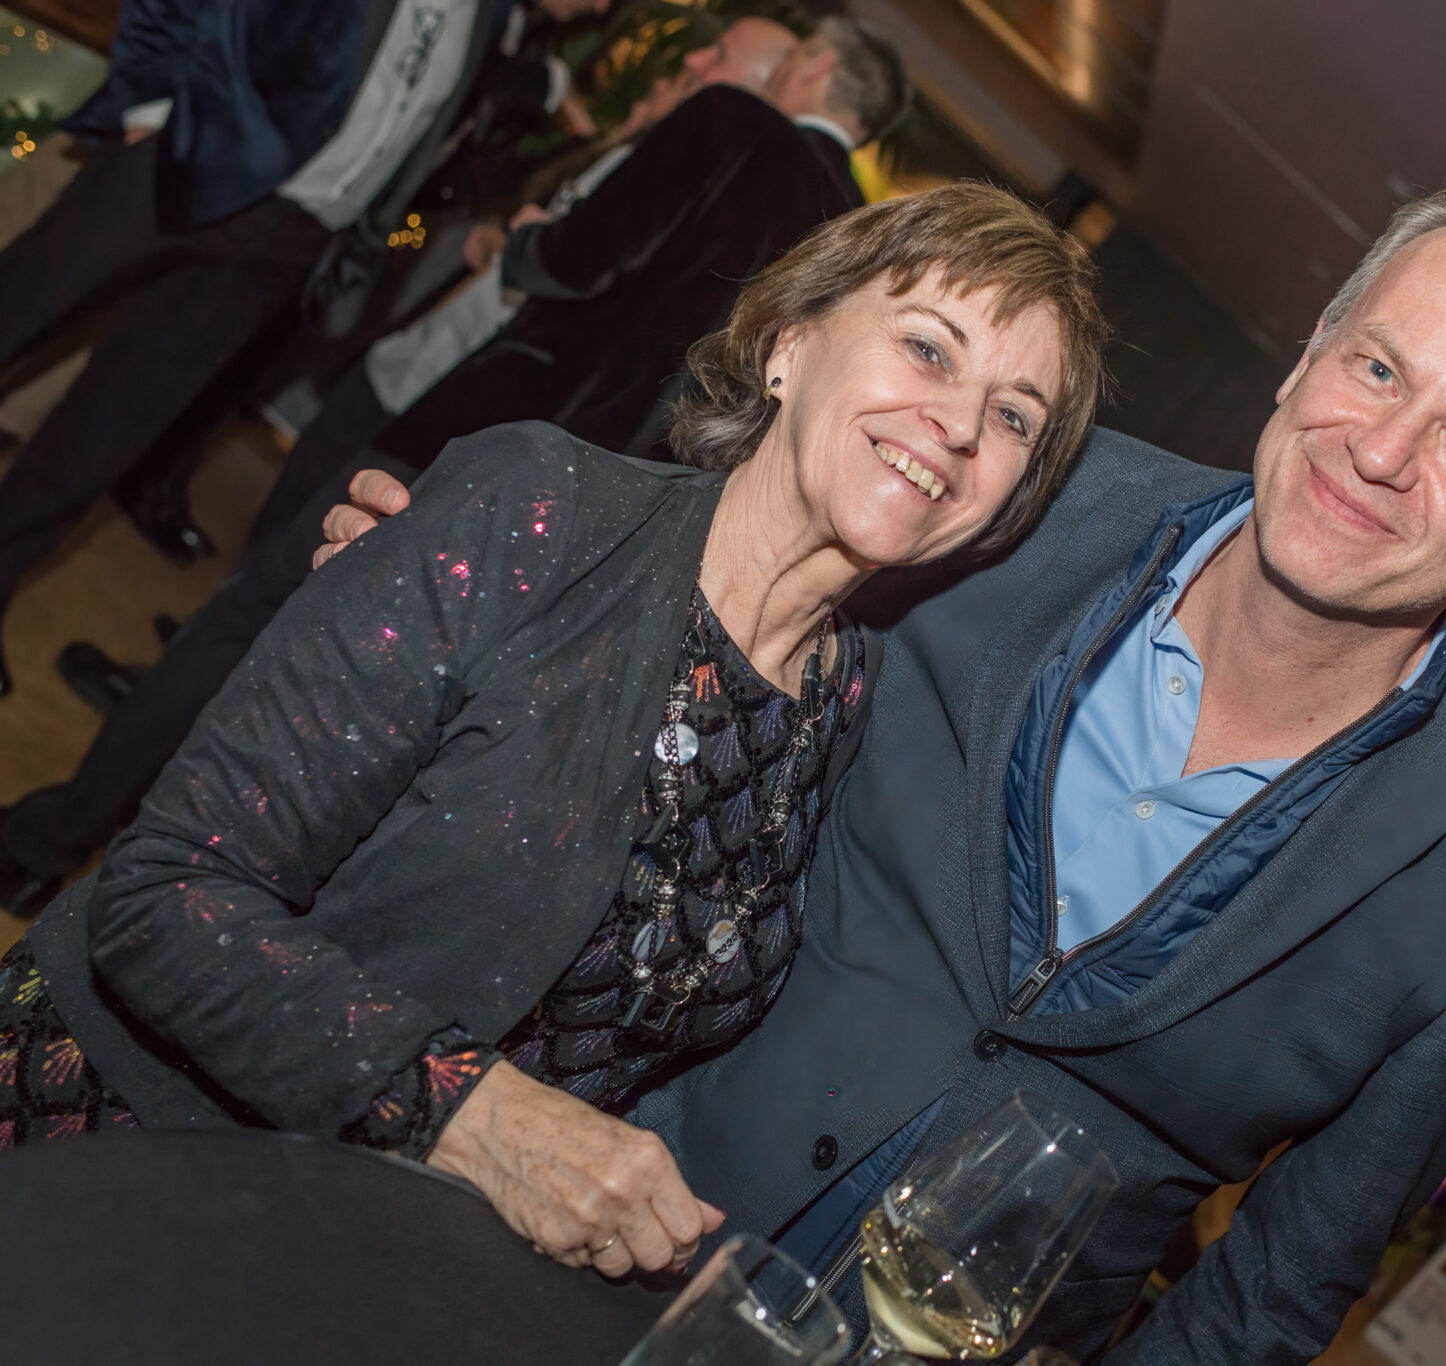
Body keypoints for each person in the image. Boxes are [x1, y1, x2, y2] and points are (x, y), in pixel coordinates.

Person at [321, 182, 1446, 1361]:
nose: (1380, 454)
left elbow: (1278, 1288)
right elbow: (714, 581)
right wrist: (484, 599)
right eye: (1378, 370)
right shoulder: (1018, 487)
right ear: (1308, 358)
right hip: (568, 1210)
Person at [5, 185, 1106, 1285]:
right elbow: (165, 897)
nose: (960, 425)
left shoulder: (847, 706)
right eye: (927, 348)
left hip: (357, 1262)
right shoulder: (537, 511)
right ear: (789, 345)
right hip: (126, 1164)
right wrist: (476, 1119)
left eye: (1015, 417)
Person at [0, 15, 906, 920]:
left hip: (490, 432)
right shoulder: (852, 241)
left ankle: (50, 842)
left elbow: (577, 259)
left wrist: (530, 241)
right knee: (360, 715)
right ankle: (192, 899)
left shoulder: (733, 124)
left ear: (816, 67)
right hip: (609, 511)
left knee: (255, 619)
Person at [0, 0, 610, 697]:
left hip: (289, 241)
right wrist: (150, 104)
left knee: (106, 429)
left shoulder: (492, 14)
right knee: (19, 312)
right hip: (181, 160)